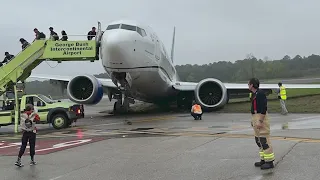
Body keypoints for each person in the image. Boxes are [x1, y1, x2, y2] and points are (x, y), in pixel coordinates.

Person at [248, 78, 275, 170]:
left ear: (252, 85)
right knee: (258, 140)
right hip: (255, 116)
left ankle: (270, 161)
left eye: (249, 84)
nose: (248, 86)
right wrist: (253, 121)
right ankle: (263, 159)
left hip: (261, 117)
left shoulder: (260, 94)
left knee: (264, 140)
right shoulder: (254, 94)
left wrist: (260, 121)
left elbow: (263, 107)